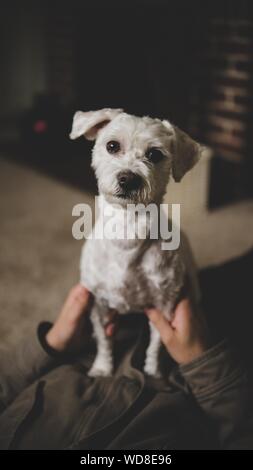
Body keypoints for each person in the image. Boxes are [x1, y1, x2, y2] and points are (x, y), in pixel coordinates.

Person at [0, 284, 252, 450]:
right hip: (203, 381)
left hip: (95, 342)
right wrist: (204, 361)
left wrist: (52, 342)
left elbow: (5, 382)